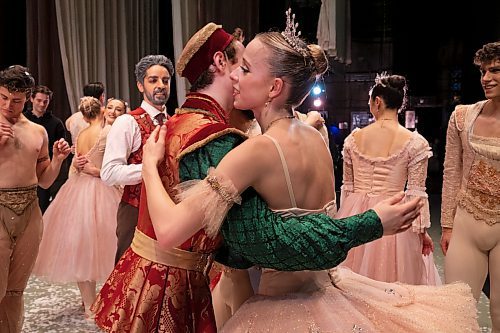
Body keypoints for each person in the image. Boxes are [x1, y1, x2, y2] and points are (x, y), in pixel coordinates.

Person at [143, 13, 475, 332]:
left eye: (244, 69)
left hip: (280, 306)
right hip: (331, 293)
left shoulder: (256, 151)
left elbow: (170, 230)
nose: (234, 76)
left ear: (273, 87)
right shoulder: (314, 137)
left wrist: (148, 166)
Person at [337, 73, 441, 285]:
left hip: (357, 215)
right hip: (394, 216)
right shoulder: (415, 143)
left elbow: (347, 189)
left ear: (377, 101)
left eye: (370, 102)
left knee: (351, 286)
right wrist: (422, 233)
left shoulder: (352, 140)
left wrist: (342, 223)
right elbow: (416, 194)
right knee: (396, 285)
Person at [31, 96, 121, 320]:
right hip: (101, 188)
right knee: (108, 246)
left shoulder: (80, 134)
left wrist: (81, 172)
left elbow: (76, 166)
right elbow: (110, 166)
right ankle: (104, 300)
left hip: (78, 189)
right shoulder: (108, 132)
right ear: (100, 111)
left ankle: (89, 302)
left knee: (82, 248)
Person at [0, 65, 71, 332]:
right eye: (3, 97)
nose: (8, 105)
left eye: (16, 100)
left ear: (27, 98)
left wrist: (58, 160)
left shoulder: (37, 131)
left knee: (16, 290)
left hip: (30, 210)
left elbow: (44, 180)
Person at [440, 41, 500, 331]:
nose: (486, 78)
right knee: (454, 312)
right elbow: (451, 172)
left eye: (496, 70)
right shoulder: (462, 117)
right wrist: (447, 225)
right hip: (467, 220)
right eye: (483, 71)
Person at [100, 55, 173, 264]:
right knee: (129, 278)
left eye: (165, 81)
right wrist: (150, 168)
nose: (160, 86)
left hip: (169, 213)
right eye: (153, 80)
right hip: (135, 211)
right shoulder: (127, 122)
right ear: (140, 85)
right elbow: (109, 173)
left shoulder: (174, 121)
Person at [23, 85, 68, 212]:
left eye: (45, 101)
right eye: (39, 100)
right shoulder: (22, 120)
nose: (42, 104)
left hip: (45, 169)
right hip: (24, 169)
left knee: (43, 206)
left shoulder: (56, 123)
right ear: (31, 99)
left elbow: (61, 146)